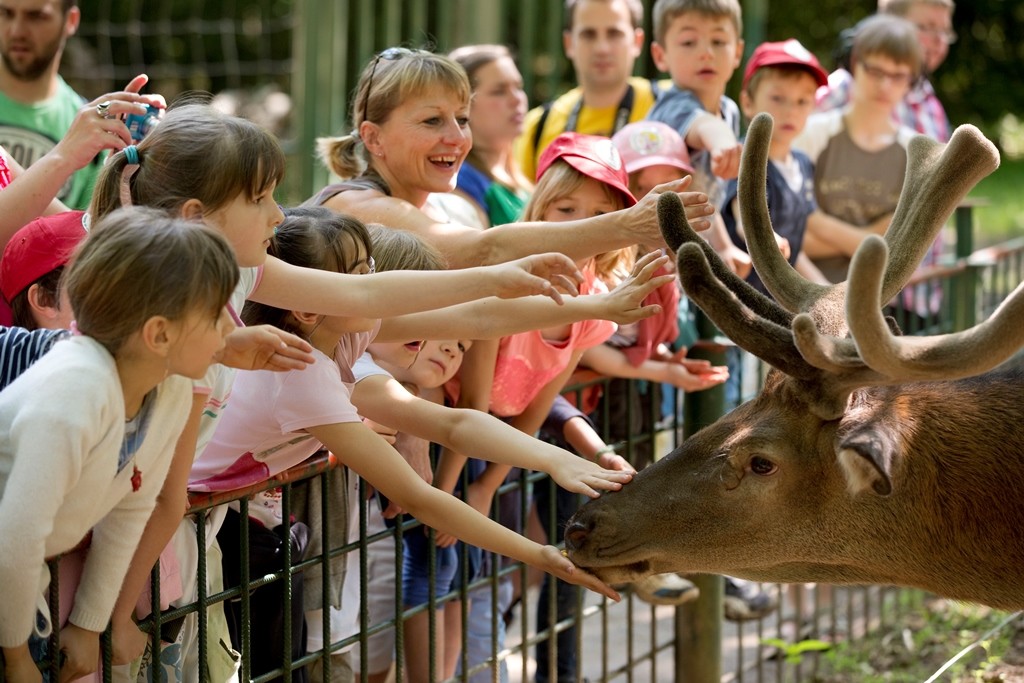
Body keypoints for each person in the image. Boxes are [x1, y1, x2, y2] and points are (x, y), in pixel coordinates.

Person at [85, 102, 588, 683]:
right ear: (200, 217)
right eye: (260, 198)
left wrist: (541, 291)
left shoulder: (243, 281)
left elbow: (383, 299)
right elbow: (162, 498)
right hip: (145, 547)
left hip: (181, 540)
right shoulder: (279, 362)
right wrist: (108, 616)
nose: (279, 214)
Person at [193, 207, 648, 681]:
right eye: (359, 272)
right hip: (192, 523)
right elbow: (419, 496)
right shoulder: (303, 376)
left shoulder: (342, 331)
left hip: (227, 521)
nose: (376, 279)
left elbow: (476, 322)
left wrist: (596, 308)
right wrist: (537, 554)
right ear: (309, 305)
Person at [0, 206, 238, 683]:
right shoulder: (70, 398)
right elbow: (14, 543)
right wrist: (15, 658)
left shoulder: (168, 386)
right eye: (216, 316)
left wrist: (90, 624)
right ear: (158, 334)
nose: (230, 331)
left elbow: (131, 508)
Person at [311, 47, 715, 271]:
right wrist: (628, 225)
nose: (456, 137)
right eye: (433, 120)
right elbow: (484, 252)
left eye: (463, 119)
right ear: (373, 138)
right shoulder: (355, 206)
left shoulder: (431, 206)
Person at [793, 14, 922, 284]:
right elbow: (785, 234)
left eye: (898, 76)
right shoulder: (811, 134)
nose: (885, 85)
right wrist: (871, 238)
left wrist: (818, 225)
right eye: (876, 71)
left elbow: (906, 248)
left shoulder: (916, 152)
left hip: (879, 303)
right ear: (855, 64)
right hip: (803, 292)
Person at [0, 0, 159, 209]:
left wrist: (121, 179)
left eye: (36, 16)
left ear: (71, 21)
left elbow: (80, 233)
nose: (17, 31)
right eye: (5, 13)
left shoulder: (94, 128)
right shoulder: (86, 129)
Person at [721, 40, 833, 293]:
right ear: (748, 102)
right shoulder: (745, 158)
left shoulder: (803, 165)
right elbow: (744, 222)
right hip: (739, 301)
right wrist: (767, 236)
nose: (790, 111)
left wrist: (824, 288)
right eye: (777, 98)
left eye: (802, 101)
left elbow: (794, 246)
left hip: (781, 303)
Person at [514, 0, 655, 182]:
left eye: (614, 34)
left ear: (637, 41)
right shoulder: (536, 126)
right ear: (568, 43)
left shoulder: (670, 106)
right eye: (589, 34)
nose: (602, 48)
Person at [816, 0, 955, 142]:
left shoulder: (931, 105)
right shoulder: (842, 88)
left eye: (945, 31)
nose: (939, 40)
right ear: (888, 26)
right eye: (925, 27)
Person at [645, 0, 744, 192]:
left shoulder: (729, 110)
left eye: (718, 41)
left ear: (737, 52)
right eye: (689, 42)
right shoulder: (671, 106)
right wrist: (723, 145)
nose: (706, 53)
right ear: (660, 55)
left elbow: (711, 204)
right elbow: (705, 125)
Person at [448, 44, 532, 227]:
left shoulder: (517, 172)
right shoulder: (457, 182)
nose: (517, 99)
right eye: (499, 91)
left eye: (518, 87)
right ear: (463, 106)